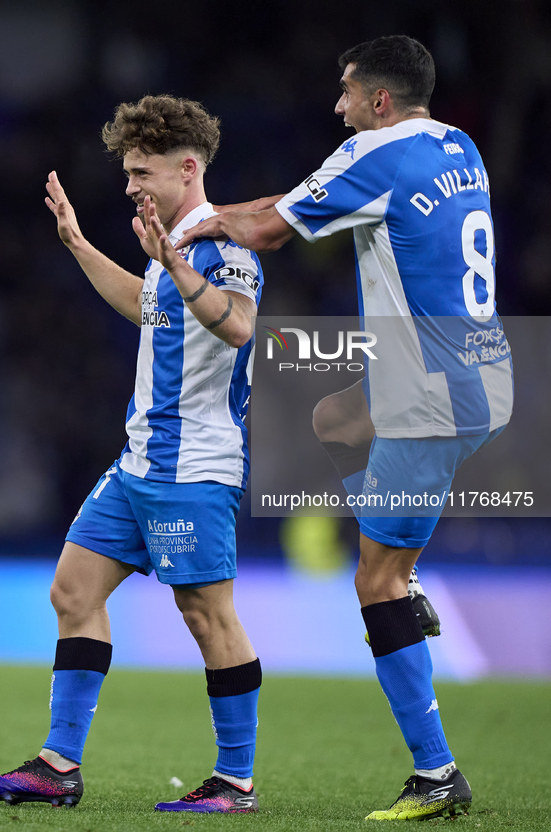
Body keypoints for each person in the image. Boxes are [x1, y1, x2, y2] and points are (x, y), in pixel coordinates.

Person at [175, 35, 512, 821]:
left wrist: (192, 225)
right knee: (334, 415)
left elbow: (266, 230)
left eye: (347, 92)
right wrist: (228, 213)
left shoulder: (373, 156)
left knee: (373, 582)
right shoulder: (456, 145)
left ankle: (435, 772)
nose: (338, 106)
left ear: (380, 103)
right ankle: (409, 574)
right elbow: (286, 208)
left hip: (430, 396)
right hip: (483, 372)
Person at [0, 95, 264, 814]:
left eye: (142, 170)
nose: (130, 184)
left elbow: (239, 327)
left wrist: (176, 264)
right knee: (72, 591)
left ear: (186, 167)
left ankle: (235, 781)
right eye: (127, 171)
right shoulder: (171, 246)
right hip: (138, 463)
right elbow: (147, 304)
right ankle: (57, 765)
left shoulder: (223, 247)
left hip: (192, 468)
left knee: (207, 615)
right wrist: (77, 243)